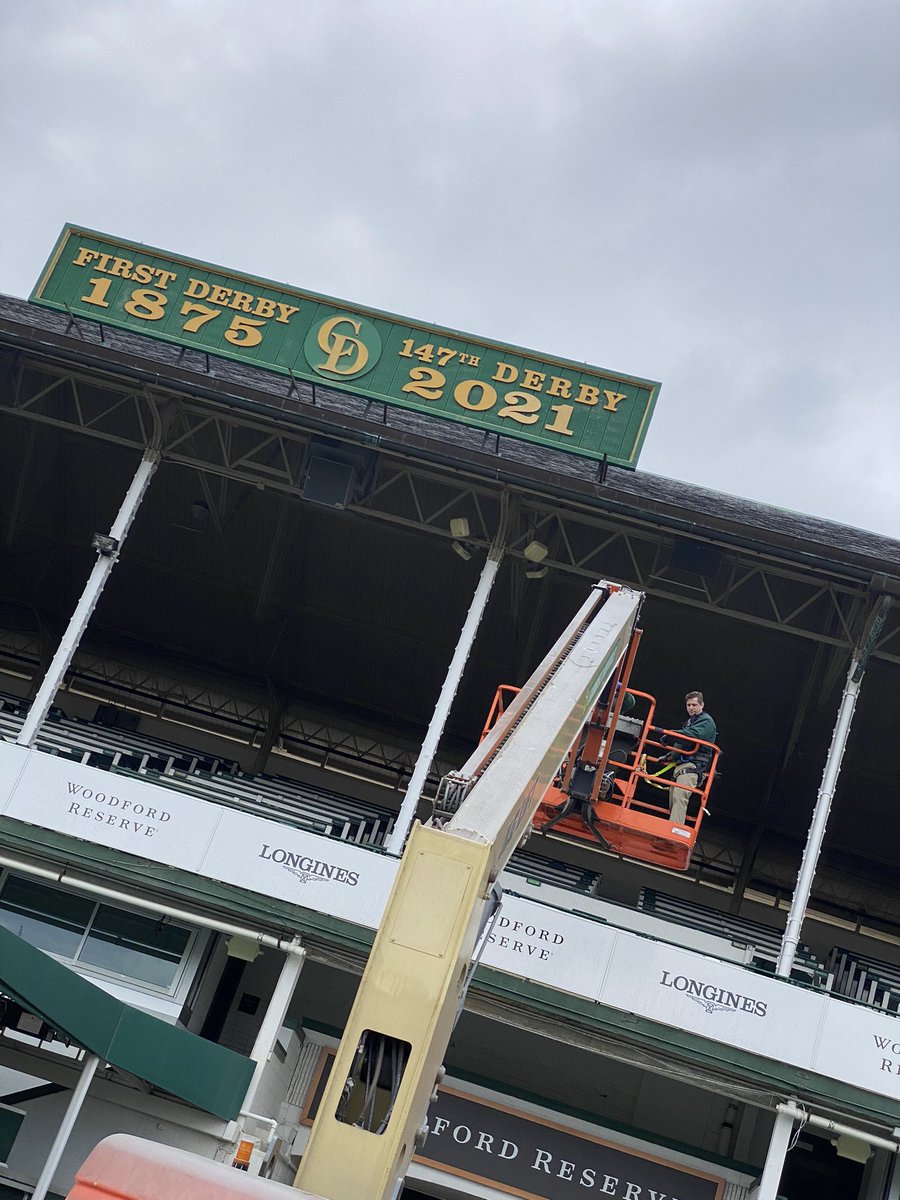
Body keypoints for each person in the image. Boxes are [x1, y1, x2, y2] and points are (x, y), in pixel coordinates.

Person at [666, 691, 717, 825]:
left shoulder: (706, 721)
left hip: (692, 767)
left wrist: (671, 734)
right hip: (683, 766)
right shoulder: (690, 722)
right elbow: (683, 741)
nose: (691, 708)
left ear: (702, 705)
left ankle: (673, 832)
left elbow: (691, 736)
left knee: (679, 796)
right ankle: (672, 829)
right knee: (674, 798)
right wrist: (669, 756)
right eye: (688, 705)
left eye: (694, 704)